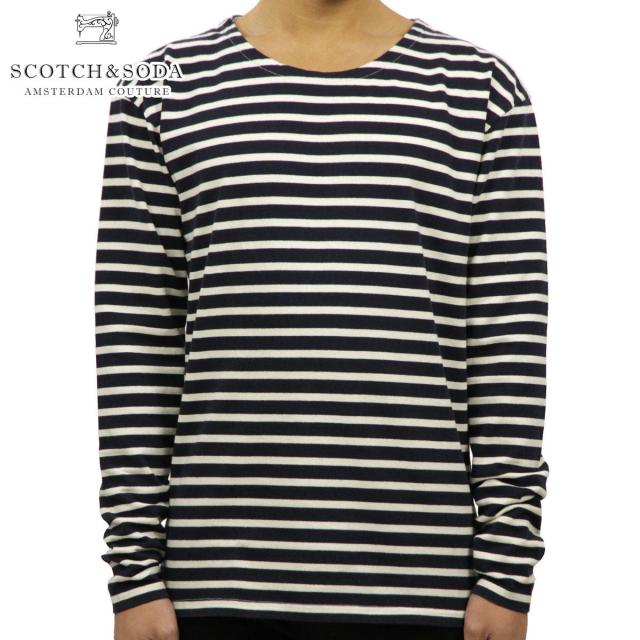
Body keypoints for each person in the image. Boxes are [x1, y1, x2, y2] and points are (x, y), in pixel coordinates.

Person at [94, 1, 549, 639]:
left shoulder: (480, 91)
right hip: (213, 585)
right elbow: (137, 339)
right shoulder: (162, 90)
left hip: (427, 591)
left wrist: (506, 568)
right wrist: (135, 572)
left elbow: (508, 341)